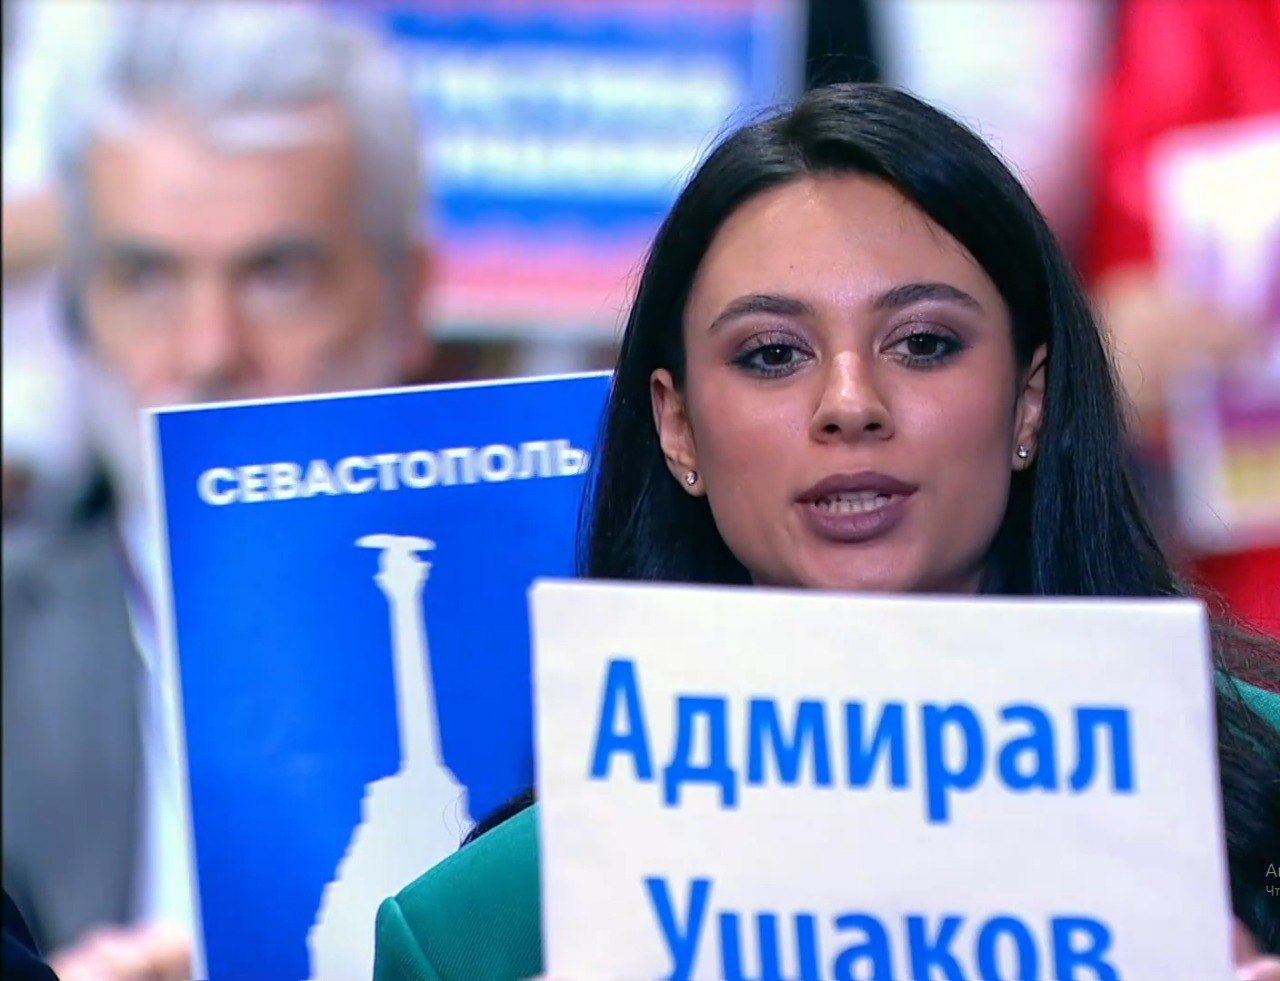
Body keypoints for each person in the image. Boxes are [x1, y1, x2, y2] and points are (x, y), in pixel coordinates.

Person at [371, 84, 1280, 980]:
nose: (850, 402)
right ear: (678, 427)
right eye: (773, 354)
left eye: (923, 343)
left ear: (1030, 400)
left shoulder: (1260, 798)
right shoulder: (479, 934)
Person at [1, 3, 431, 978]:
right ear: (77, 309)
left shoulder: (568, 625)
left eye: (278, 274)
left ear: (410, 298)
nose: (207, 352)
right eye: (147, 276)